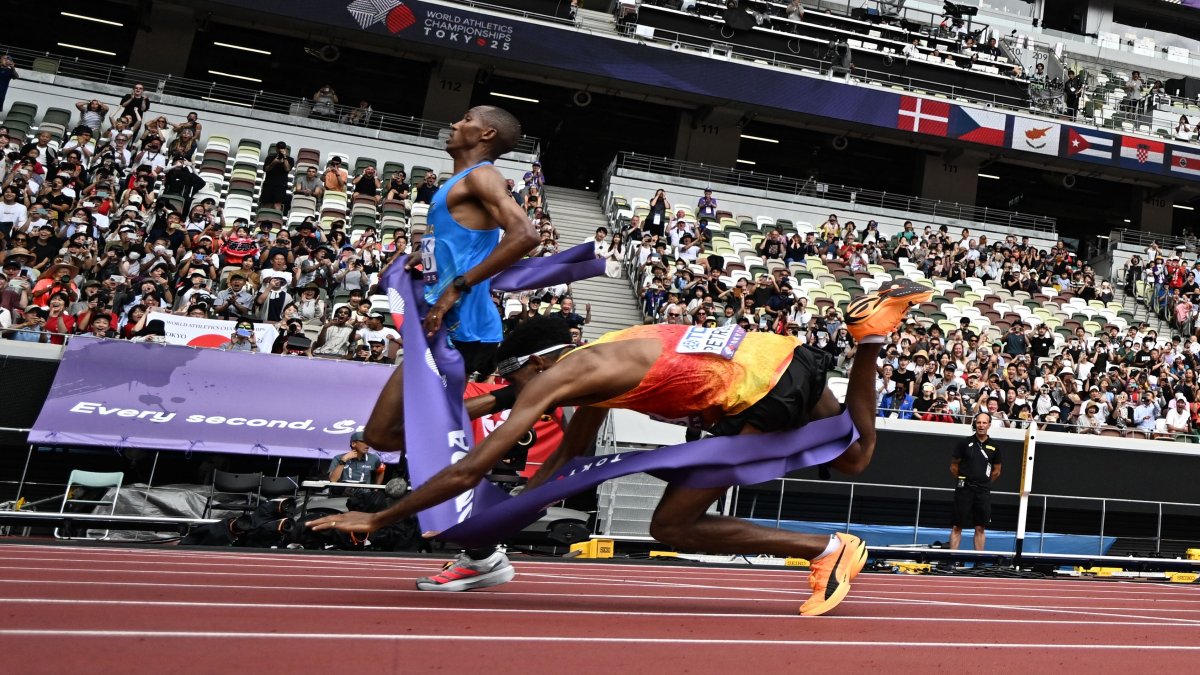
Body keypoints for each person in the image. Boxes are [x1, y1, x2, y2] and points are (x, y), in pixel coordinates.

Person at [311, 279, 935, 616]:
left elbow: (477, 461)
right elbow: (558, 460)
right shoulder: (585, 365)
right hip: (770, 354)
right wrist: (492, 530)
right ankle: (868, 340)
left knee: (674, 523)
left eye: (512, 380)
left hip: (753, 391)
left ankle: (827, 546)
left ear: (532, 366)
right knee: (851, 455)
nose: (510, 392)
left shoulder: (563, 380)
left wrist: (382, 515)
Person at [949, 412, 1002, 551]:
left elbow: (996, 471)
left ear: (989, 425)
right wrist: (965, 479)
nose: (981, 425)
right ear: (975, 424)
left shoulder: (995, 447)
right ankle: (951, 561)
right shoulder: (964, 443)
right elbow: (954, 466)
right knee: (957, 525)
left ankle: (978, 562)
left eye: (984, 423)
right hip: (964, 490)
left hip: (982, 492)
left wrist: (984, 483)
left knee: (980, 527)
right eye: (979, 422)